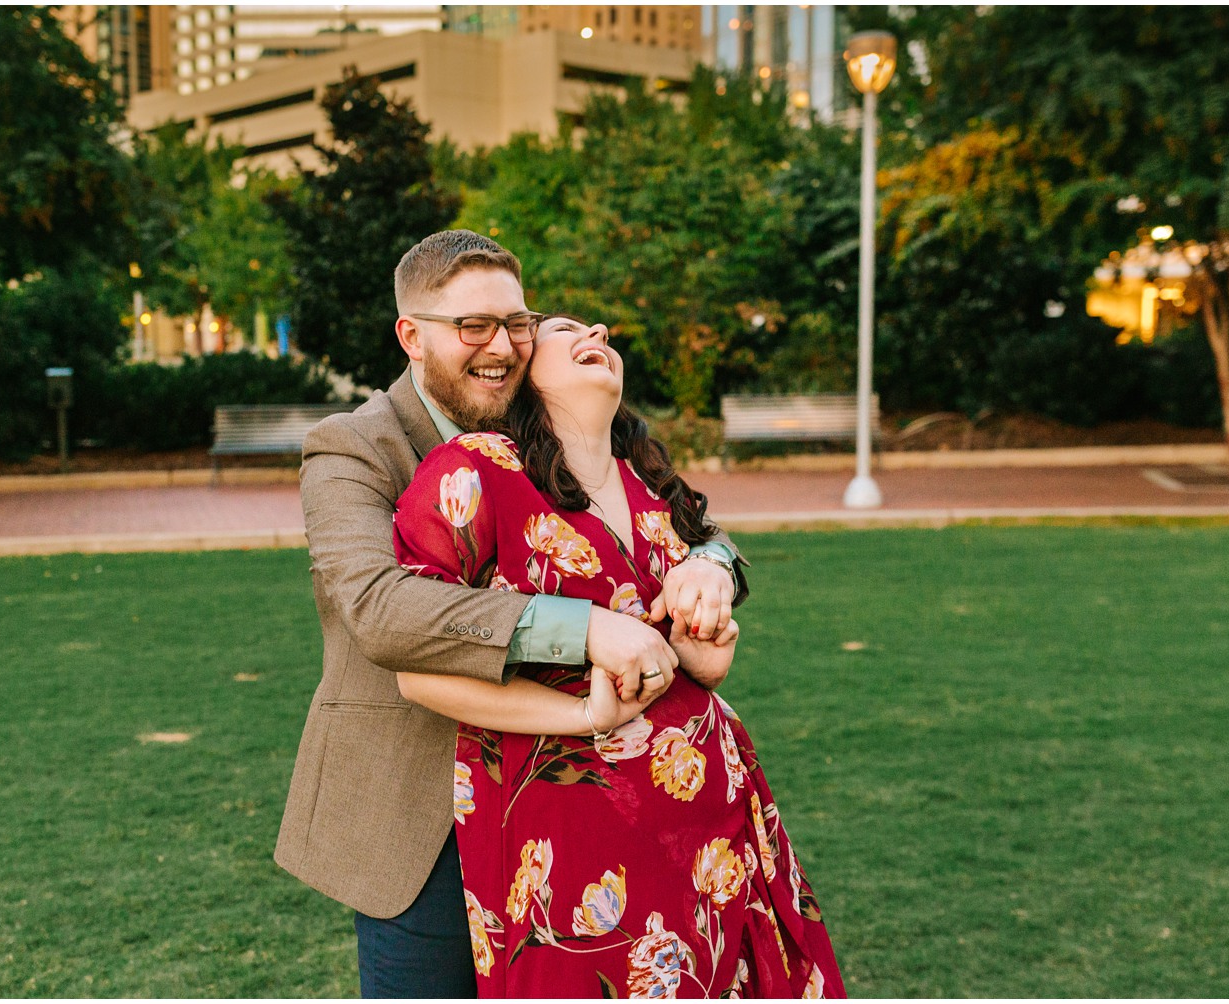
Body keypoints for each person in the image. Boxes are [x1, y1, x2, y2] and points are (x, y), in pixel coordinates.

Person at [273, 231, 749, 998]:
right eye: (473, 327)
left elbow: (666, 513)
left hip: (569, 806)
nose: (502, 345)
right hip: (418, 809)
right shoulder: (354, 447)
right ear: (411, 336)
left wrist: (710, 565)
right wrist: (588, 627)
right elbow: (378, 608)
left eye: (516, 322)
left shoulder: (546, 417)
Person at [388, 314, 844, 997]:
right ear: (518, 370)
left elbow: (700, 625)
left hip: (713, 825)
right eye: (564, 327)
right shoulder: (474, 470)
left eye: (598, 327)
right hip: (571, 832)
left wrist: (708, 632)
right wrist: (584, 715)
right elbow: (416, 662)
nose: (597, 329)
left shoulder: (652, 484)